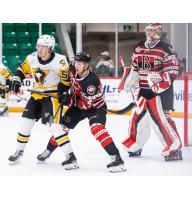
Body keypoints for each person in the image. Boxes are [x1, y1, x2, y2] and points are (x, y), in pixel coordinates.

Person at [37, 52, 126, 172]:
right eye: (76, 63)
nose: (76, 65)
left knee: (97, 129)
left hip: (95, 108)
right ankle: (48, 151)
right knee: (61, 129)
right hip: (78, 106)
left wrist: (67, 100)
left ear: (86, 66)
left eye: (79, 64)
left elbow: (85, 104)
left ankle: (116, 159)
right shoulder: (73, 70)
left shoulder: (91, 81)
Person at [8, 34, 78, 169]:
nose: (40, 49)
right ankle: (19, 152)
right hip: (36, 96)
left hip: (51, 98)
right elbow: (22, 70)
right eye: (39, 45)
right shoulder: (31, 58)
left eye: (44, 47)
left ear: (50, 48)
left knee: (54, 127)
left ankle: (71, 157)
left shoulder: (60, 61)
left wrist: (63, 94)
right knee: (25, 124)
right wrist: (17, 79)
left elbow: (66, 83)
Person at [119, 23, 182, 161]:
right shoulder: (139, 46)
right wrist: (131, 80)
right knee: (138, 118)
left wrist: (161, 83)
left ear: (159, 32)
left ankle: (174, 148)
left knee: (163, 119)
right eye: (148, 30)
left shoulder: (165, 48)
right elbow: (135, 67)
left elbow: (172, 70)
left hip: (161, 92)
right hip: (143, 90)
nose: (150, 33)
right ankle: (135, 145)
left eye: (153, 30)